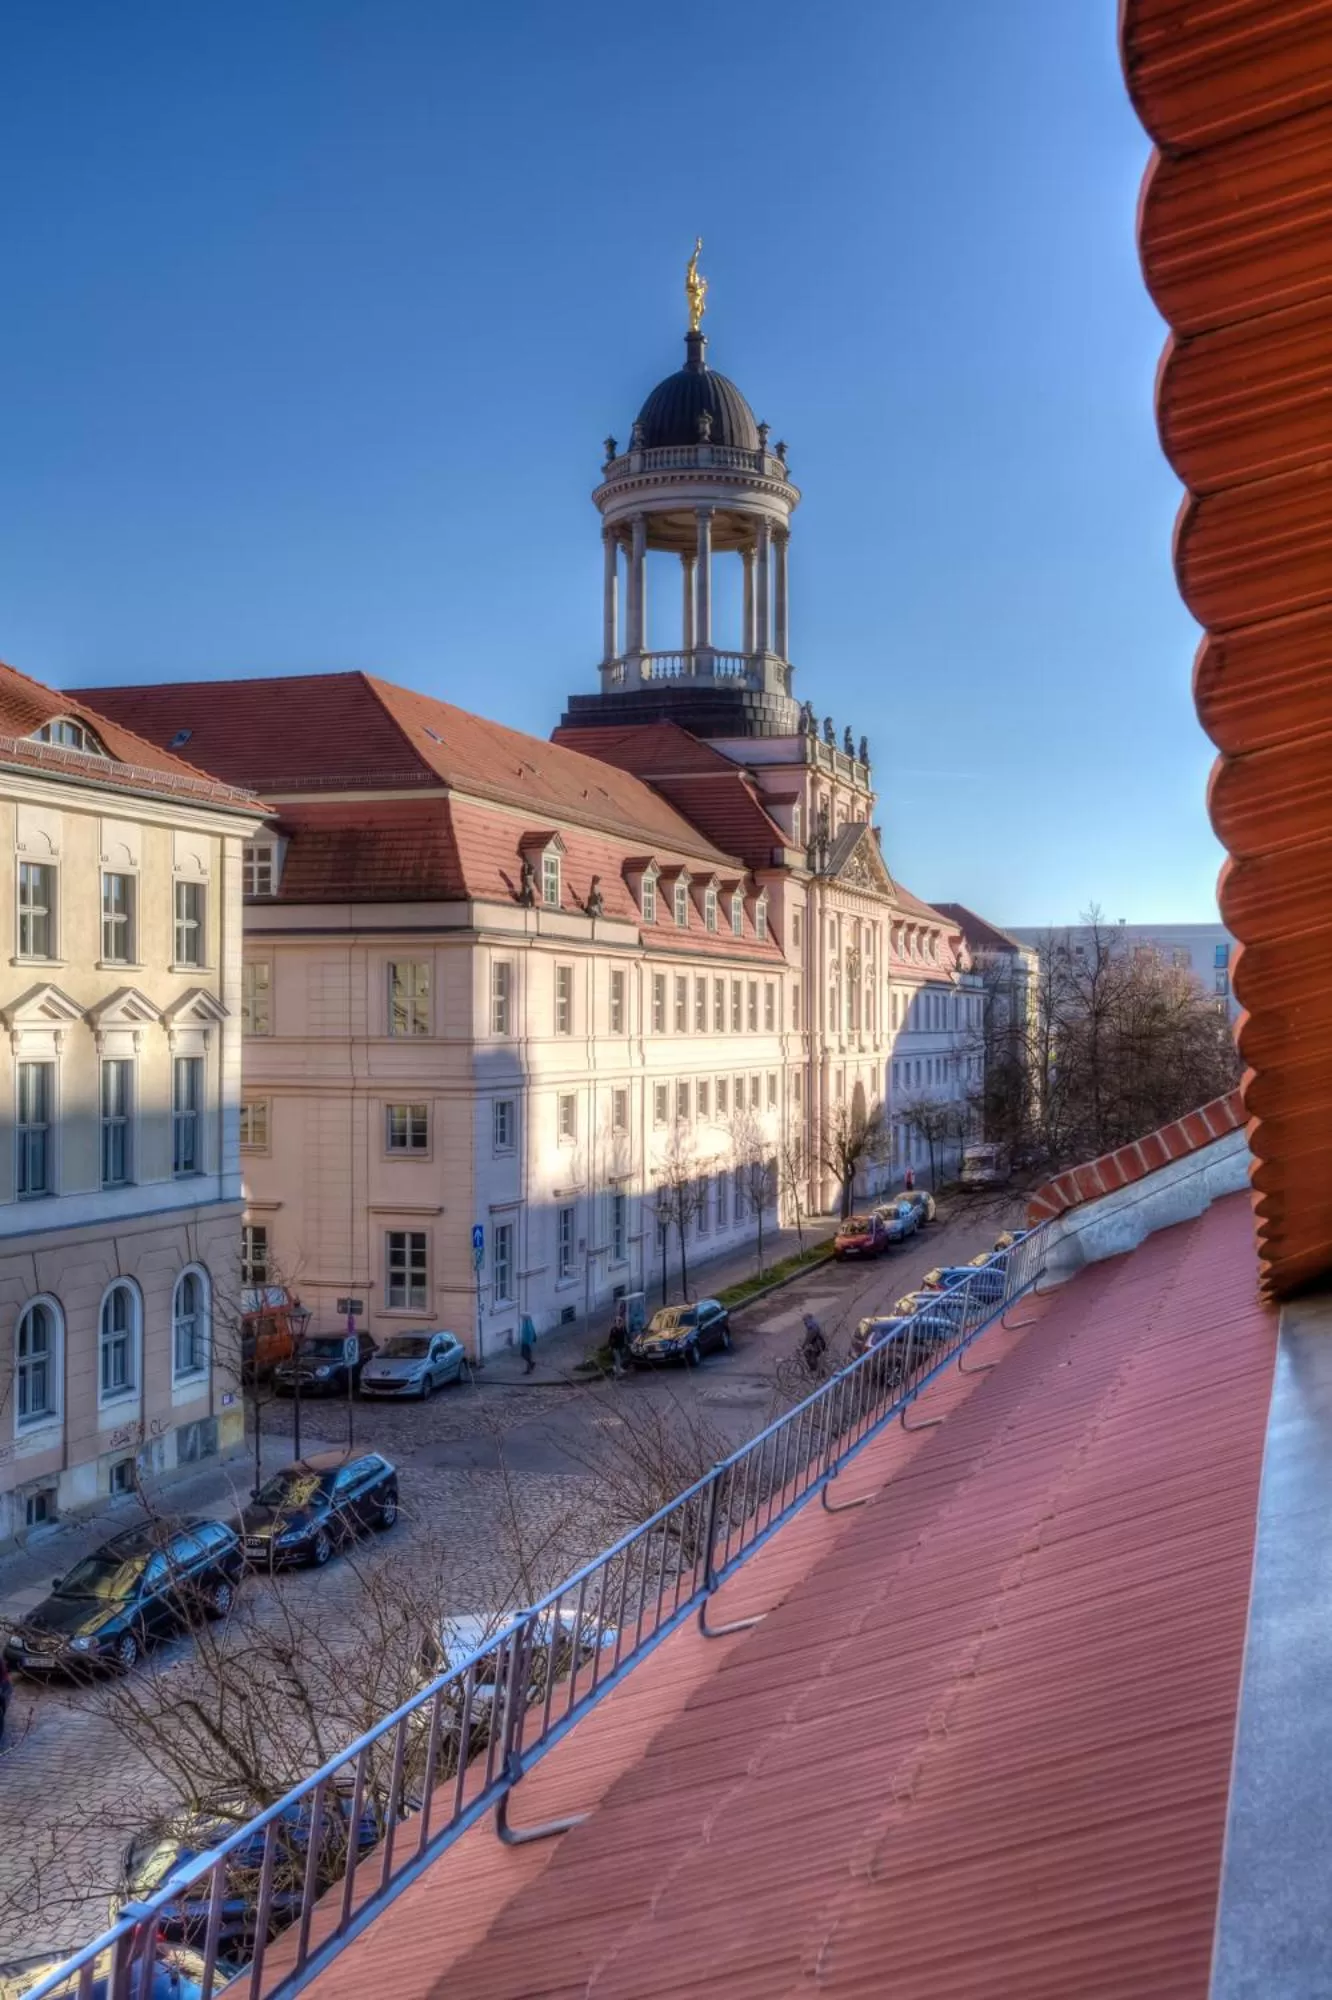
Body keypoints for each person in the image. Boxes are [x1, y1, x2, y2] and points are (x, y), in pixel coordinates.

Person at [609, 1301, 629, 1377]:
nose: (619, 1323)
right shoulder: (613, 1330)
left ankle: (617, 1369)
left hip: (621, 1346)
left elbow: (626, 1335)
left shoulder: (623, 1328)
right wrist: (611, 1346)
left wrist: (628, 1342)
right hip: (615, 1347)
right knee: (618, 1359)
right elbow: (610, 1338)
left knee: (621, 1359)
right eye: (618, 1322)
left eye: (620, 1322)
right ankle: (619, 1374)